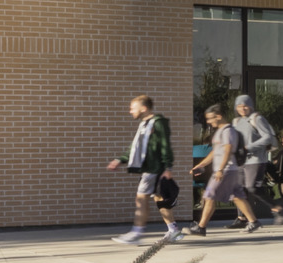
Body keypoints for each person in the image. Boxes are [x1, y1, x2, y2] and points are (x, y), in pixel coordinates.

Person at [105, 94, 185, 244]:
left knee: (141, 199)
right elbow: (135, 147)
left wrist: (168, 166)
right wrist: (119, 160)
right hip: (149, 168)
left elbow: (165, 145)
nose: (130, 111)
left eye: (132, 108)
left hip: (154, 169)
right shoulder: (144, 124)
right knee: (159, 198)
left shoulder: (157, 123)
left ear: (143, 108)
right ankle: (173, 230)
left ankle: (137, 232)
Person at [195, 104, 263, 233]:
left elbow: (227, 150)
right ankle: (253, 221)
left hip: (226, 170)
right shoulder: (220, 131)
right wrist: (202, 164)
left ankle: (201, 227)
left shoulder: (228, 131)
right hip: (230, 170)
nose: (208, 121)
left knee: (209, 196)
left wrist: (220, 169)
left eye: (210, 118)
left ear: (219, 116)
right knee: (237, 196)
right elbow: (215, 152)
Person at [229, 94, 279, 220]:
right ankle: (241, 218)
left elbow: (267, 137)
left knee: (252, 188)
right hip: (241, 160)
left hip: (256, 160)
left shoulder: (257, 119)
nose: (243, 108)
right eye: (239, 106)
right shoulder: (236, 121)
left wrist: (248, 148)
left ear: (250, 106)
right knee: (239, 190)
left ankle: (277, 208)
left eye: (245, 106)